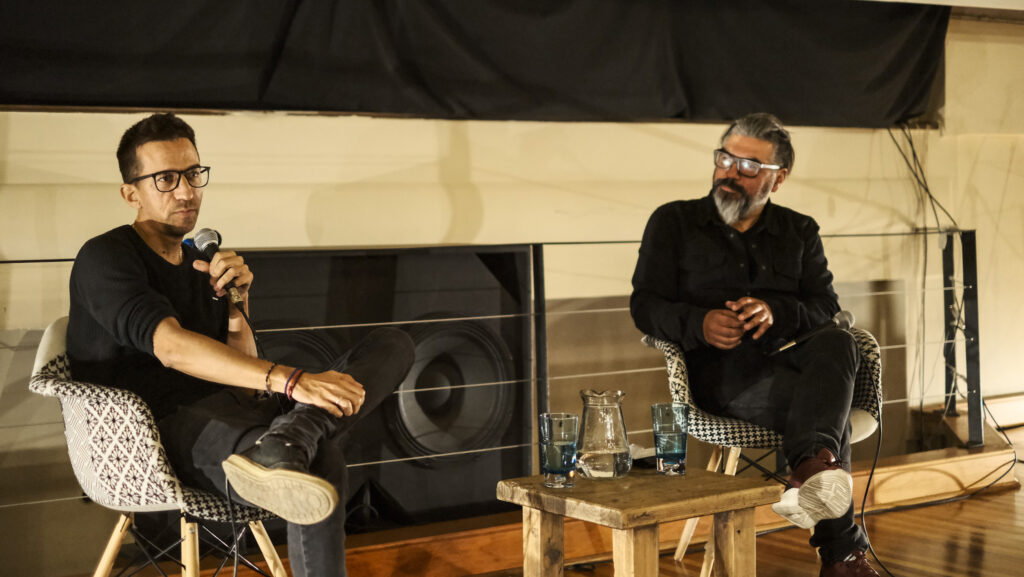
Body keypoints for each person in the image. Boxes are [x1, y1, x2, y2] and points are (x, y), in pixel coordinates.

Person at [67, 112, 415, 577]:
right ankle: (292, 440)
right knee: (321, 459)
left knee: (393, 343)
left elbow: (244, 378)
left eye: (193, 174)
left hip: (231, 412)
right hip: (155, 436)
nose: (187, 192)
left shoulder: (202, 261)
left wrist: (236, 308)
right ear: (132, 193)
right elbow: (171, 347)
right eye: (166, 179)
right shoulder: (106, 257)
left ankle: (291, 436)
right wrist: (292, 381)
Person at [630, 113, 879, 577]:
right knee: (826, 412)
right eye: (724, 159)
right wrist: (699, 323)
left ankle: (812, 473)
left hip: (798, 361)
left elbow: (825, 305)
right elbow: (644, 305)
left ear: (778, 178)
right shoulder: (673, 222)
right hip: (723, 375)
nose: (730, 172)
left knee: (839, 342)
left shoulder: (800, 230)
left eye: (748, 166)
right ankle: (839, 544)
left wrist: (775, 312)